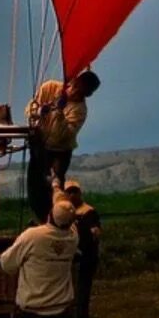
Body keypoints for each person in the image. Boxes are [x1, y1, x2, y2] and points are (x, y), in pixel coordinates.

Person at [26, 70, 100, 221]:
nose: (75, 92)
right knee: (34, 187)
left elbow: (61, 136)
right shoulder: (49, 87)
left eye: (81, 92)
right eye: (76, 86)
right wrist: (39, 111)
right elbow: (29, 111)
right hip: (39, 145)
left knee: (53, 186)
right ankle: (42, 220)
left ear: (87, 95)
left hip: (59, 152)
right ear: (72, 81)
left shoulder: (80, 111)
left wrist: (59, 114)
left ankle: (56, 220)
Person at [63, 177, 102, 318]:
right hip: (70, 265)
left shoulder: (89, 212)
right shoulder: (65, 214)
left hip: (85, 262)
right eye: (68, 191)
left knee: (82, 301)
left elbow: (94, 235)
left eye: (74, 191)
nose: (71, 194)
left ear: (79, 193)